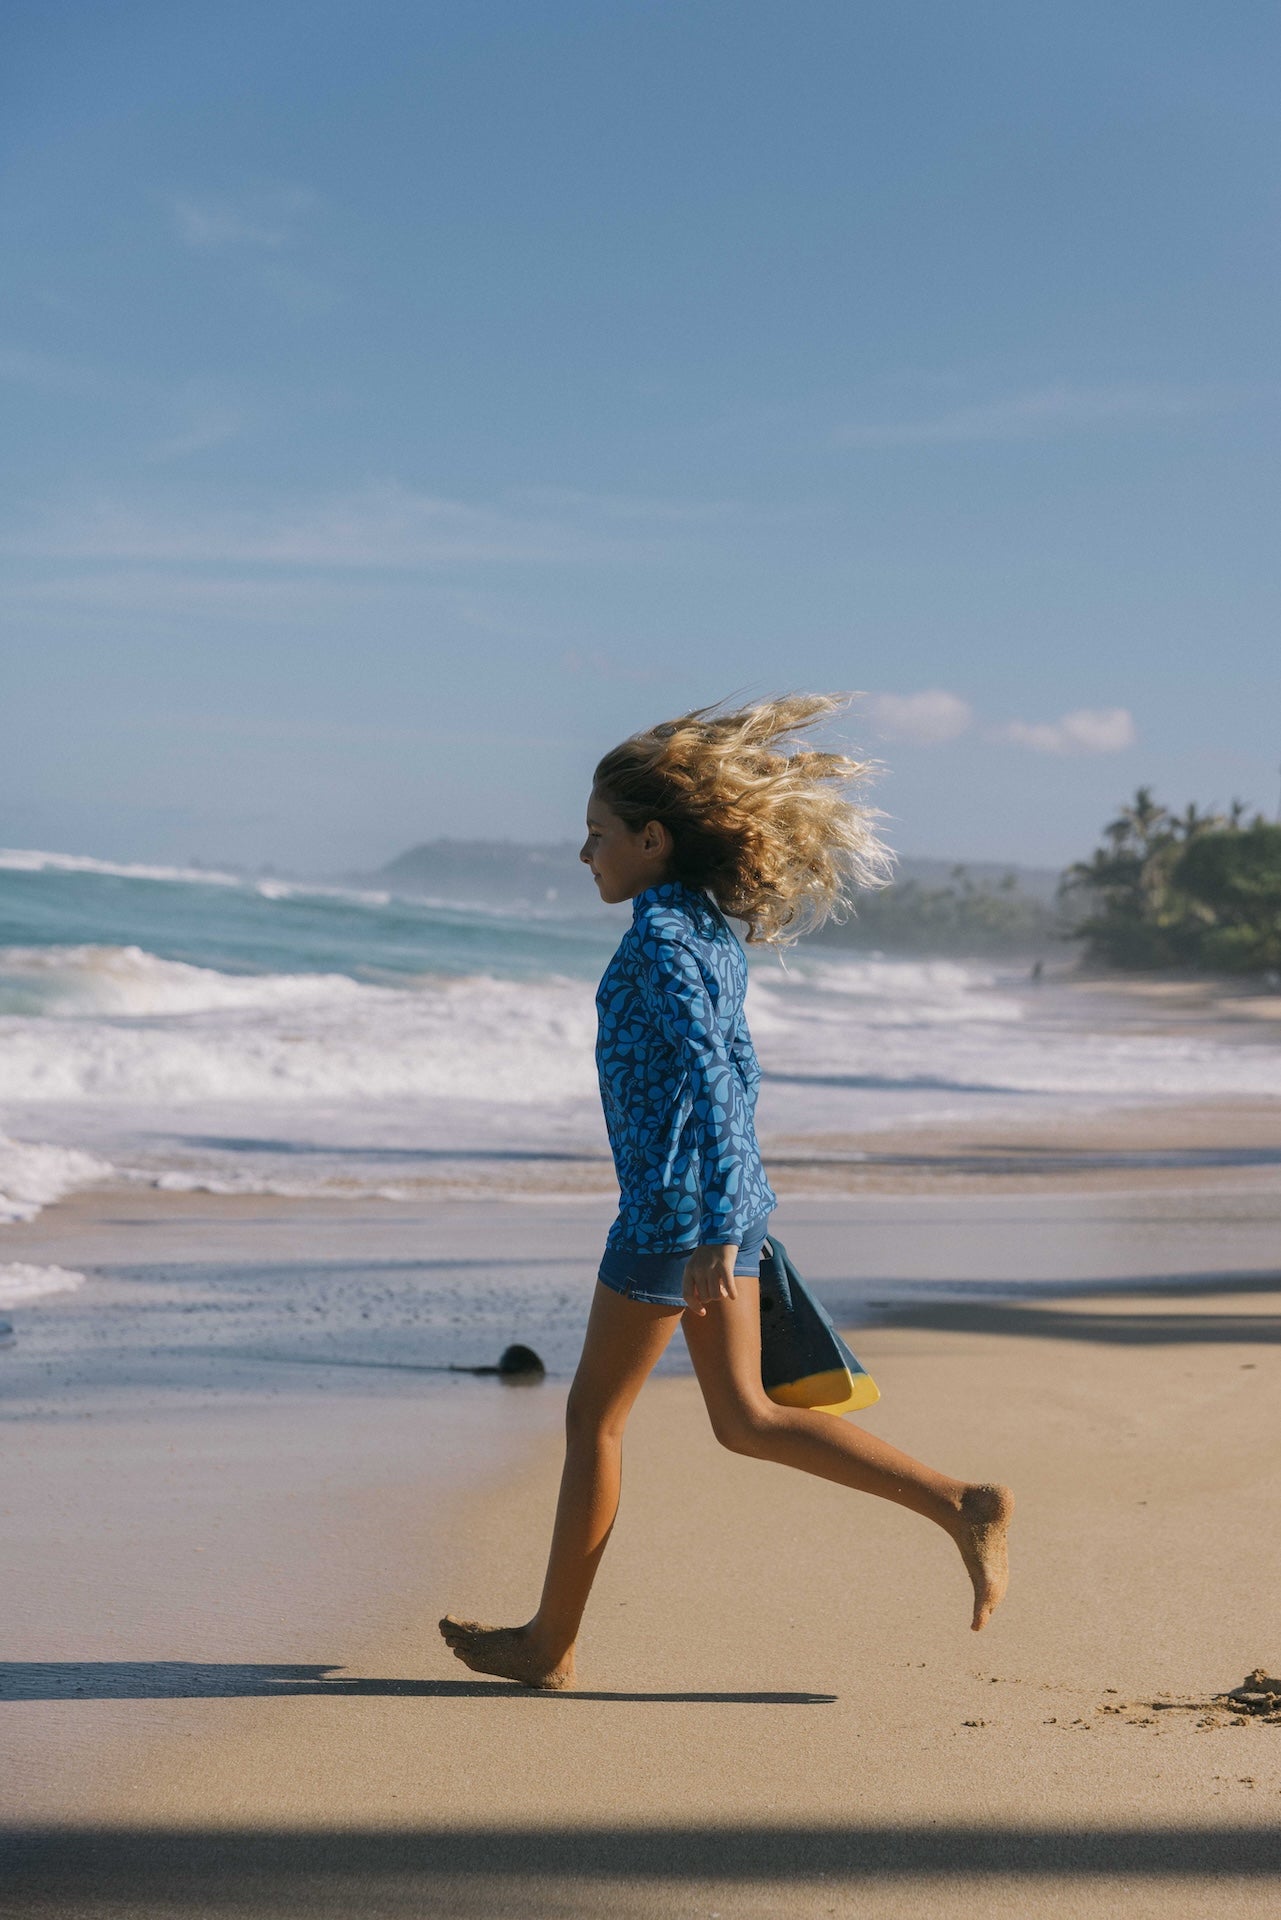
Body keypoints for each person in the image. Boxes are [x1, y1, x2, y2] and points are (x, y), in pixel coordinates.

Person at [440, 695, 1013, 1689]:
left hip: (674, 1216)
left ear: (652, 839)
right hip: (722, 1204)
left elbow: (710, 1073)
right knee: (746, 1418)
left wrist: (709, 1227)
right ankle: (959, 1503)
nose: (585, 853)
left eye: (598, 834)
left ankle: (548, 1645)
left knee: (594, 1421)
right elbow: (737, 1072)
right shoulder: (703, 929)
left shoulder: (664, 943)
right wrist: (739, 1213)